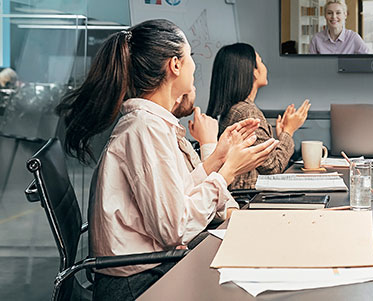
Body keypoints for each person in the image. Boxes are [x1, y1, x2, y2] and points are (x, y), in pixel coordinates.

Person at [56, 19, 278, 301]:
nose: (194, 67)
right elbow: (174, 228)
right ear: (175, 65)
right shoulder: (144, 129)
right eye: (190, 58)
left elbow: (175, 196)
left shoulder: (151, 124)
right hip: (135, 285)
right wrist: (228, 171)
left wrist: (219, 157)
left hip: (148, 271)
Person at [207, 43, 310, 189]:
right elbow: (274, 167)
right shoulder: (247, 113)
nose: (264, 67)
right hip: (250, 199)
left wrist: (280, 137)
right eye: (260, 61)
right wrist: (289, 131)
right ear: (253, 72)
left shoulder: (234, 109)